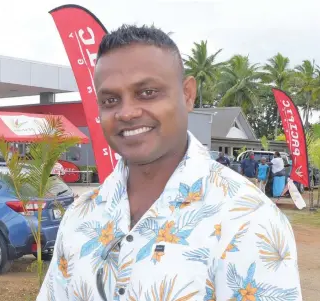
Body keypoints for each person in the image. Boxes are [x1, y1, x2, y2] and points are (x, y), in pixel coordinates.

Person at [37, 25, 301, 301]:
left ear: (187, 94)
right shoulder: (80, 216)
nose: (126, 112)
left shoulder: (247, 219)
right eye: (110, 99)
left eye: (147, 92)